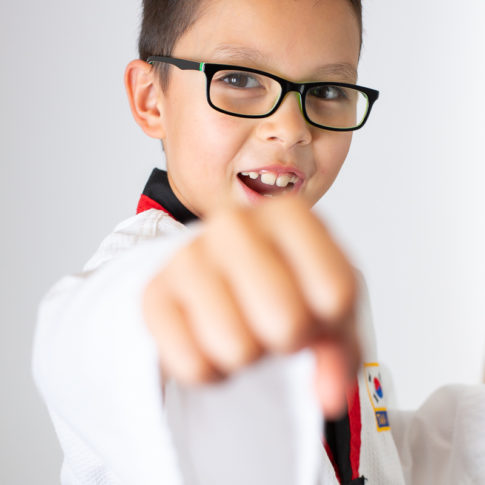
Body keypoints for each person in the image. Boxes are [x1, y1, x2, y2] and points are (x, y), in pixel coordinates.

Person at [33, 0, 485, 484]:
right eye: (239, 79)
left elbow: (373, 460)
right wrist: (168, 290)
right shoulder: (135, 280)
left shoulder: (329, 281)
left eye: (328, 89)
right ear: (151, 99)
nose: (291, 130)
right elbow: (85, 337)